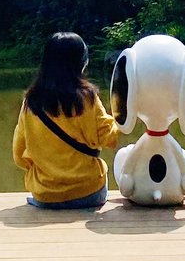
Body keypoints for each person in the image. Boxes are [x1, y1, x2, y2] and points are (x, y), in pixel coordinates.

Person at [13, 32, 119, 210]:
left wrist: (41, 171)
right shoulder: (87, 98)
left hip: (45, 195)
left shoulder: (31, 102)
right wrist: (120, 114)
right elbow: (109, 139)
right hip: (89, 194)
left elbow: (19, 154)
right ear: (81, 62)